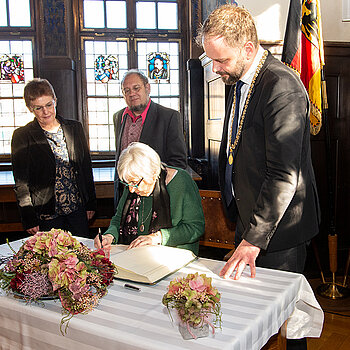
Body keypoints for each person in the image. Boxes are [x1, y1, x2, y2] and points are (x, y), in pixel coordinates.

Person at [198, 6, 320, 279]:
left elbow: (283, 174)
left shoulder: (281, 87)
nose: (215, 68)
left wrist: (253, 239)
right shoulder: (238, 79)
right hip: (249, 220)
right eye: (211, 59)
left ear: (249, 49)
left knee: (276, 318)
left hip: (279, 232)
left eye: (221, 60)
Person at [11, 78, 96, 237]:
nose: (46, 112)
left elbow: (85, 167)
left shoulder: (75, 128)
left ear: (55, 101)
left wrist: (90, 203)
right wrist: (28, 217)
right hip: (46, 214)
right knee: (51, 260)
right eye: (39, 108)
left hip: (77, 210)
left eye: (49, 105)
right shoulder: (22, 136)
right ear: (30, 108)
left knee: (82, 257)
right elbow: (21, 183)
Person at [94, 142, 204, 255]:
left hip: (175, 256)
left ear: (154, 172)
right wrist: (109, 236)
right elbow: (119, 219)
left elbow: (195, 228)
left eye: (135, 183)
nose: (131, 189)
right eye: (127, 183)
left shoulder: (181, 182)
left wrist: (157, 237)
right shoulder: (133, 183)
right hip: (137, 255)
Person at [113, 69, 187, 206]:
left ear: (147, 88)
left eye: (136, 88)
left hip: (156, 198)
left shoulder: (169, 117)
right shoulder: (118, 117)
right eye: (126, 90)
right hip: (125, 197)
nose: (132, 94)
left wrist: (156, 188)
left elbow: (178, 162)